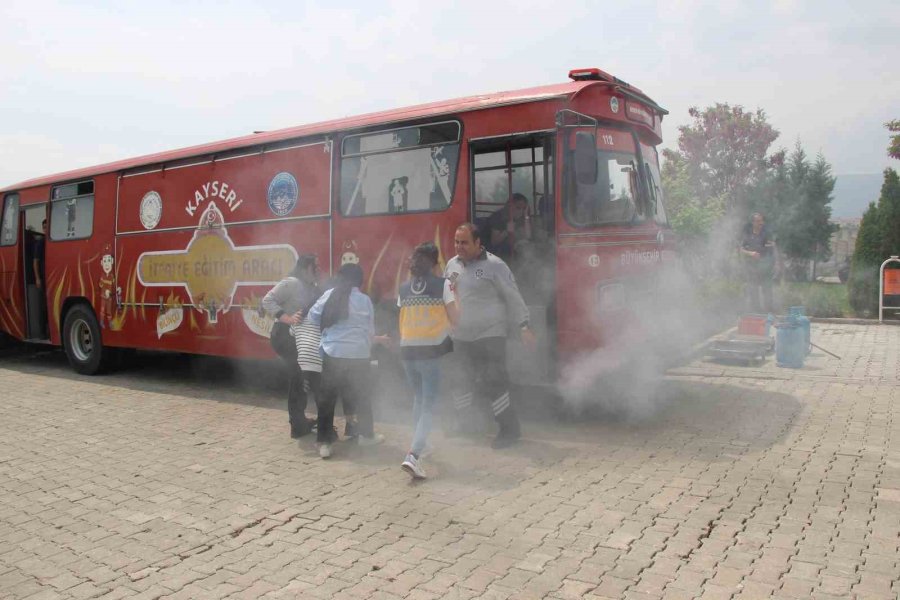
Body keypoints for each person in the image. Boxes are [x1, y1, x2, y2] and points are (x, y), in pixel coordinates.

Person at [445, 223, 535, 449]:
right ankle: (465, 423)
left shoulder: (495, 265)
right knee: (459, 379)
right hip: (461, 335)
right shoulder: (452, 265)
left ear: (478, 243)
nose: (459, 247)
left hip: (490, 333)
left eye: (464, 242)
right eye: (456, 242)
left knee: (494, 381)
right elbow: (448, 296)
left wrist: (524, 325)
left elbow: (513, 296)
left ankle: (509, 430)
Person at [305, 263, 385, 458]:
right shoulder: (364, 300)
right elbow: (370, 330)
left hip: (333, 353)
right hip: (359, 355)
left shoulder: (329, 295)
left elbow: (311, 317)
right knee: (362, 396)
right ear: (360, 280)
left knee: (327, 399)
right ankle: (366, 435)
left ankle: (324, 444)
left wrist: (327, 328)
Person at [396, 242, 457, 479]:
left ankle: (421, 444)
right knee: (429, 405)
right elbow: (456, 318)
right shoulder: (444, 285)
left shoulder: (403, 288)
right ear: (435, 262)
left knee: (419, 398)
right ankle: (413, 455)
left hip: (407, 351)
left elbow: (402, 318)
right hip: (430, 353)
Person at [263, 255, 321, 438]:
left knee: (300, 377)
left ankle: (299, 420)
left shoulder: (310, 286)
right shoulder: (292, 283)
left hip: (295, 336)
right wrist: (288, 318)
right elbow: (267, 300)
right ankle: (297, 425)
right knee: (298, 378)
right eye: (315, 267)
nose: (318, 270)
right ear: (306, 268)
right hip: (284, 336)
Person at [739, 212, 775, 313]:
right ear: (753, 222)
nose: (761, 223)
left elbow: (772, 247)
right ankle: (756, 312)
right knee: (753, 290)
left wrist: (774, 261)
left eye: (762, 221)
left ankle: (769, 312)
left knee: (767, 289)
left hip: (765, 267)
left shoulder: (766, 234)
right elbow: (741, 249)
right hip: (752, 267)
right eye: (758, 221)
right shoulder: (748, 235)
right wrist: (751, 253)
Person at [487, 193, 532, 261]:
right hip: (494, 252)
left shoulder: (520, 217)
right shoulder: (498, 217)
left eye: (523, 209)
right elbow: (494, 242)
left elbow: (528, 236)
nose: (521, 211)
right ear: (509, 206)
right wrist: (508, 230)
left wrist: (526, 216)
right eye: (518, 208)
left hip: (512, 248)